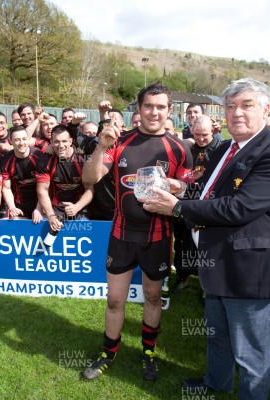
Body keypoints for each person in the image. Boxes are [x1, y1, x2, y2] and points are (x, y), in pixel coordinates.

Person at [141, 78, 270, 398]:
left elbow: (239, 208)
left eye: (246, 105)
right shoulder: (226, 147)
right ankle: (217, 382)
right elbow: (211, 193)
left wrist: (178, 207)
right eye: (230, 106)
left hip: (248, 268)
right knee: (218, 334)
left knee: (251, 353)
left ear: (266, 109)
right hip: (216, 261)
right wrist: (182, 189)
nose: (236, 113)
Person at [81, 83, 192, 382]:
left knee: (153, 299)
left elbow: (187, 189)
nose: (154, 112)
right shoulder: (119, 141)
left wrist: (178, 187)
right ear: (139, 109)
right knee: (115, 301)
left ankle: (149, 353)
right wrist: (101, 147)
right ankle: (108, 353)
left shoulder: (180, 149)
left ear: (169, 111)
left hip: (158, 237)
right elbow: (88, 178)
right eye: (148, 106)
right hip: (121, 235)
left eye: (161, 107)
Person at [172, 115, 223, 293]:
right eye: (197, 134)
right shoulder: (187, 149)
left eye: (205, 135)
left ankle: (207, 285)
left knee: (208, 246)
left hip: (210, 205)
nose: (201, 139)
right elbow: (178, 175)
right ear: (192, 131)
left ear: (214, 132)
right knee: (183, 242)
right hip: (186, 202)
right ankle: (183, 276)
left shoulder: (220, 149)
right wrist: (191, 176)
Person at [37, 125, 93, 223]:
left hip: (79, 208)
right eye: (56, 141)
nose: (61, 145)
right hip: (54, 209)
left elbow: (90, 189)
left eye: (64, 141)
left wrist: (77, 207)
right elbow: (43, 190)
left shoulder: (83, 160)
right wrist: (51, 216)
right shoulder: (44, 160)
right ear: (51, 143)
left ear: (70, 141)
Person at [1, 126, 43, 221]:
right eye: (17, 140)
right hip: (19, 204)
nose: (21, 143)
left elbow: (45, 187)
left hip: (40, 202)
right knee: (15, 223)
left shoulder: (39, 157)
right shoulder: (6, 161)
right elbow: (6, 188)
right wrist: (12, 207)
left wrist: (39, 208)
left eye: (24, 139)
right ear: (10, 141)